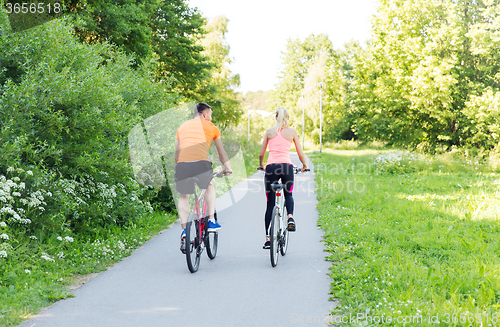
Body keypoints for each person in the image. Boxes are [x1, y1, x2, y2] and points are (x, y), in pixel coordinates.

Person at [175, 102, 232, 253]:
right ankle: (211, 220)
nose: (210, 118)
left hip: (182, 165)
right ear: (205, 114)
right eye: (210, 115)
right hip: (201, 164)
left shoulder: (181, 127)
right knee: (209, 185)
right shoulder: (211, 127)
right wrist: (228, 168)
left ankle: (184, 230)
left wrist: (180, 167)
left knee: (183, 197)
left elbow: (177, 153)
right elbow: (221, 153)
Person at [258, 107, 308, 249]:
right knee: (289, 194)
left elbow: (261, 154)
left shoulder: (269, 132)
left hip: (271, 168)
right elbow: (300, 153)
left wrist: (262, 165)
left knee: (270, 204)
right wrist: (304, 165)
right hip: (286, 168)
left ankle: (268, 238)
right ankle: (290, 217)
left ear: (275, 117)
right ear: (288, 118)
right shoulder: (292, 132)